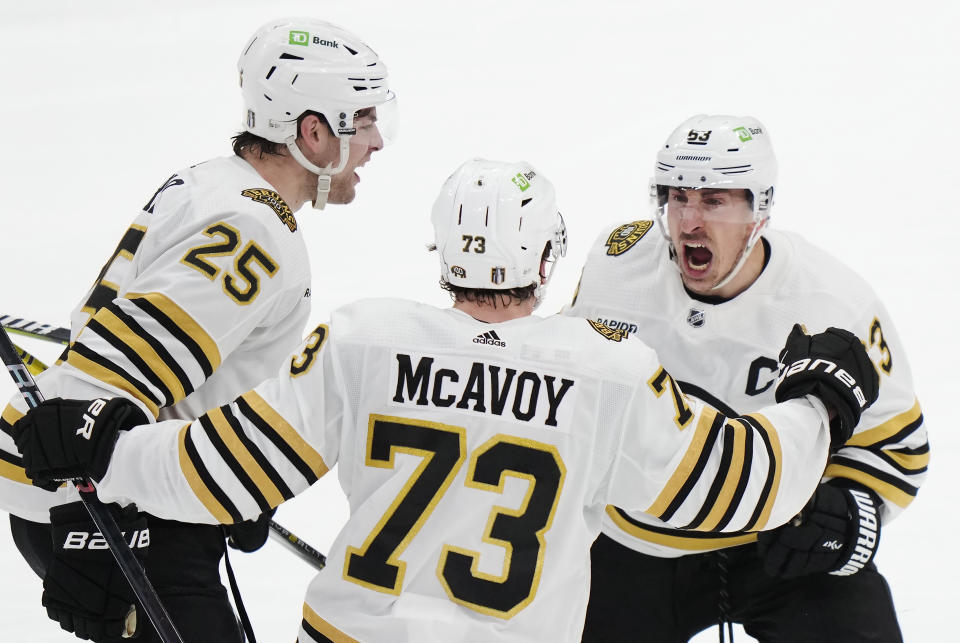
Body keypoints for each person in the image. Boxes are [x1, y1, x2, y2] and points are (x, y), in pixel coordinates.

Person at [10, 159, 880, 643]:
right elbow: (743, 485)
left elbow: (215, 473)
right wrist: (819, 404)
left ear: (442, 255)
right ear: (546, 263)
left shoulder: (362, 338)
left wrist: (100, 446)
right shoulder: (609, 368)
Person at [0, 17, 395, 642]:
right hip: (112, 513)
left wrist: (227, 487)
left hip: (122, 497)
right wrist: (78, 523)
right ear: (313, 132)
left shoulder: (213, 182)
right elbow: (98, 391)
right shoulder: (255, 233)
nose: (377, 141)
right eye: (364, 120)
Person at [565, 115, 926, 642]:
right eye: (677, 197)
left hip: (771, 540)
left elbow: (901, 449)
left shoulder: (833, 302)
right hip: (632, 538)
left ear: (759, 208)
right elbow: (568, 388)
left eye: (714, 201)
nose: (688, 221)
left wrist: (849, 517)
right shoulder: (617, 266)